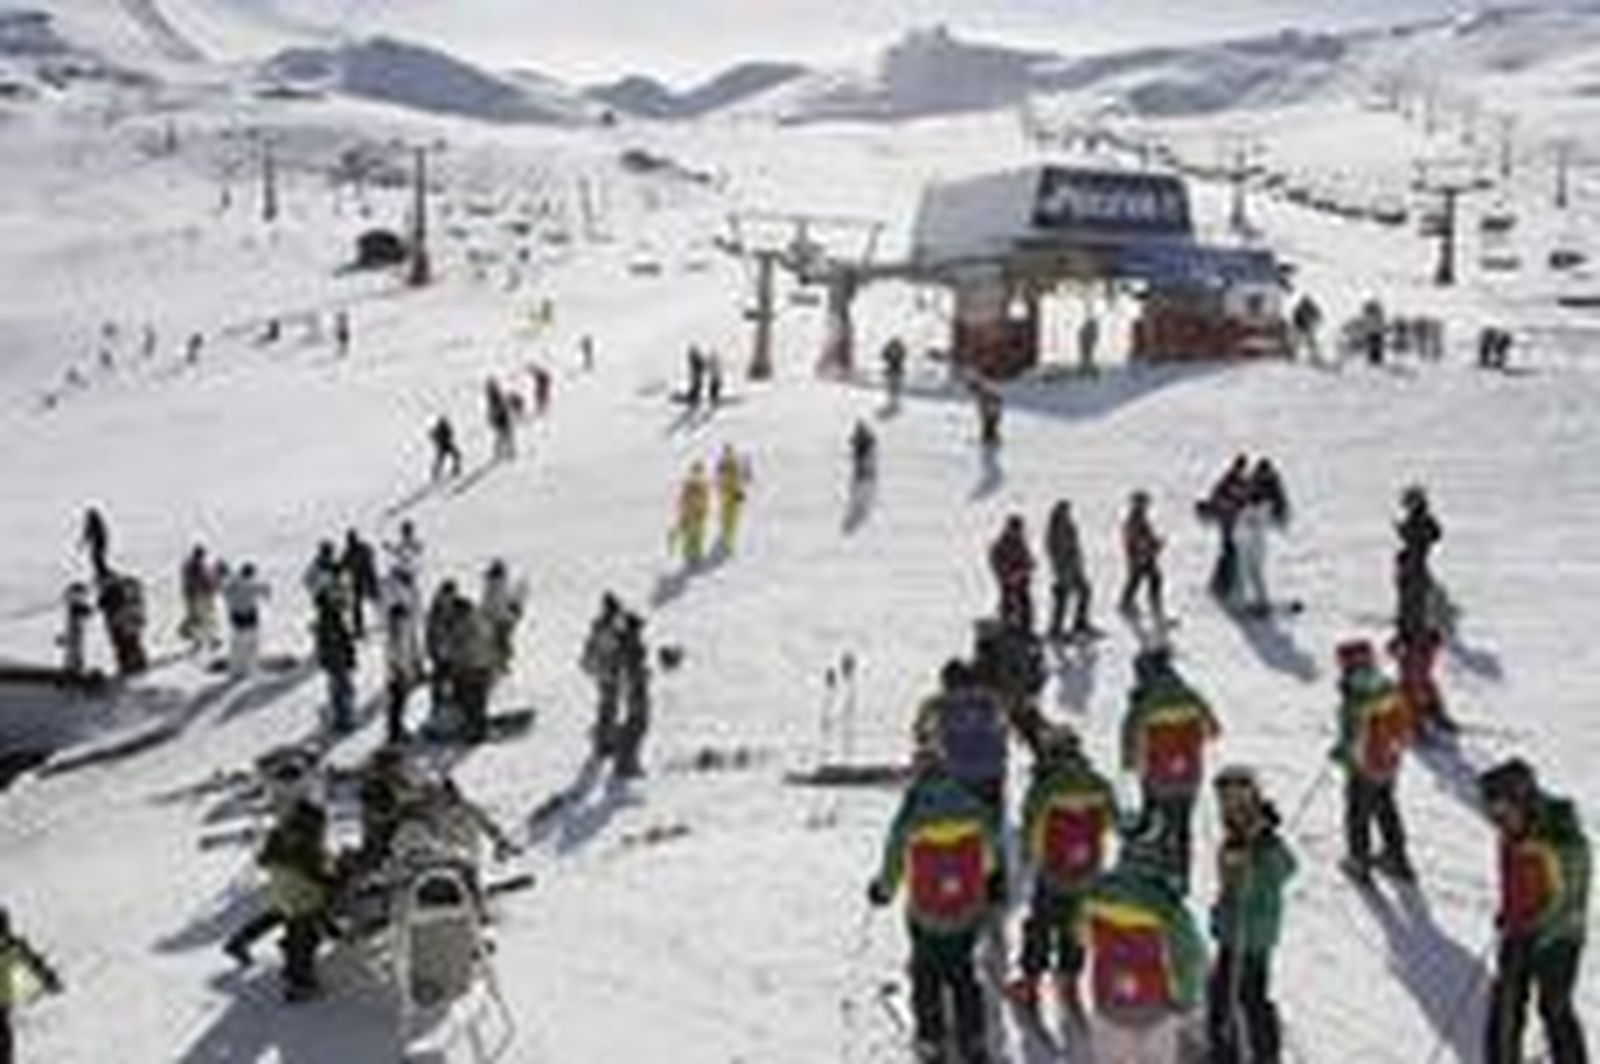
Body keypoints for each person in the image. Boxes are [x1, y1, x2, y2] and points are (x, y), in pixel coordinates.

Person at [868, 749, 1003, 1064]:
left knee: (926, 971)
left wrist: (883, 891)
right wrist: (981, 878)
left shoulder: (913, 811)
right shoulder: (972, 806)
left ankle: (931, 1037)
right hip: (966, 907)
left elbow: (895, 856)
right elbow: (991, 853)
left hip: (926, 910)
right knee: (963, 971)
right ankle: (973, 1037)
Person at [1478, 758, 1591, 1064]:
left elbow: (1571, 897)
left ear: (1523, 800)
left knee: (1554, 1007)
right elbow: (1514, 877)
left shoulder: (1563, 838)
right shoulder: (1511, 832)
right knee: (1506, 1003)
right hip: (1521, 926)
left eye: (1501, 811)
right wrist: (1509, 910)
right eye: (1490, 812)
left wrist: (1539, 923)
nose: (1496, 821)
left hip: (1559, 935)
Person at [1007, 724, 1118, 1020]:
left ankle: (1030, 982)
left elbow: (1032, 825)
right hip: (1088, 870)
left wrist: (1029, 856)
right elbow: (1111, 822)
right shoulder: (1099, 783)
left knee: (1040, 925)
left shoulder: (1046, 786)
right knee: (1075, 927)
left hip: (1053, 870)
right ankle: (1069, 980)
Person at [1079, 817, 1207, 1064]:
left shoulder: (1095, 894)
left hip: (1108, 1002)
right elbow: (1188, 958)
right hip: (1155, 1010)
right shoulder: (1168, 907)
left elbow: (1079, 934)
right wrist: (1186, 1000)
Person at [1206, 766, 1296, 1064]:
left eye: (1236, 800)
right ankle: (1225, 1048)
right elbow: (1228, 885)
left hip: (1252, 934)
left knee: (1246, 996)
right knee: (1225, 993)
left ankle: (1259, 1052)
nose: (1229, 807)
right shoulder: (1232, 835)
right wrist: (1220, 913)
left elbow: (1286, 868)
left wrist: (1261, 848)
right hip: (1235, 930)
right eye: (1224, 800)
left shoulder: (1265, 838)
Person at [1121, 648, 1220, 895]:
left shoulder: (1146, 700)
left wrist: (1131, 764)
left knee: (1160, 825)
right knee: (1183, 827)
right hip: (1189, 774)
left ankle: (1160, 875)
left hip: (1158, 775)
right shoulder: (1191, 696)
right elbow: (1213, 731)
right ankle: (1183, 877)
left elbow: (1133, 744)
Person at [1331, 640, 1416, 886]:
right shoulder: (1387, 687)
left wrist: (1344, 752)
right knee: (1385, 807)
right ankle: (1397, 856)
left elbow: (1355, 735)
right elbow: (1402, 724)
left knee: (1358, 813)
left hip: (1364, 767)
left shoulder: (1356, 696)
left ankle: (1359, 860)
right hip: (1387, 763)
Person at [260, 799, 337, 1001]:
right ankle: (301, 984)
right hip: (301, 896)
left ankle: (291, 965)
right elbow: (319, 875)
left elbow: (263, 859)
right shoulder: (303, 842)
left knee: (296, 929)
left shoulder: (280, 835)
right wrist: (336, 877)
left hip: (282, 892)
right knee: (307, 937)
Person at [1, 907, 63, 1064]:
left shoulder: (13, 946)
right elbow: (35, 963)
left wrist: (49, 979)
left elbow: (34, 962)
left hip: (4, 1005)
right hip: (3, 1005)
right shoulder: (13, 946)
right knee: (4, 1043)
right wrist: (50, 980)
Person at [580, 593, 627, 759]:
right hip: (608, 671)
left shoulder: (604, 625)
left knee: (608, 705)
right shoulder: (606, 627)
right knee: (608, 706)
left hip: (606, 671)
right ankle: (603, 742)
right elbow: (606, 648)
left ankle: (605, 739)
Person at [1044, 500, 1095, 641]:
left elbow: (1074, 544)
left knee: (1085, 591)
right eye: (1065, 511)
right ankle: (1055, 629)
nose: (1067, 513)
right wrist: (1060, 567)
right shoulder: (1054, 529)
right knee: (1063, 597)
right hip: (1063, 567)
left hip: (1074, 565)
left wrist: (1077, 560)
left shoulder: (1069, 525)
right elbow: (1053, 550)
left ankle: (1080, 622)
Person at [613, 612, 651, 778]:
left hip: (634, 686)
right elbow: (632, 667)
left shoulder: (626, 642)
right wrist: (642, 675)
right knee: (637, 724)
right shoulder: (631, 644)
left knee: (635, 723)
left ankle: (627, 761)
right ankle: (627, 762)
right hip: (636, 688)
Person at [382, 592, 423, 744]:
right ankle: (394, 732)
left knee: (400, 703)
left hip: (402, 671)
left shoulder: (401, 630)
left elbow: (408, 650)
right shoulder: (396, 632)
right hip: (398, 673)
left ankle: (397, 729)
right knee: (397, 703)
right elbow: (394, 654)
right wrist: (400, 671)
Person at [312, 598, 357, 734]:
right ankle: (342, 719)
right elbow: (342, 640)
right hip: (336, 660)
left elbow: (345, 640)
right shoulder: (329, 623)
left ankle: (341, 717)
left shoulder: (329, 622)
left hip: (336, 660)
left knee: (341, 689)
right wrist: (349, 655)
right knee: (344, 689)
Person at [1119, 491, 1166, 623]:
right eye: (1144, 503)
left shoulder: (1140, 518)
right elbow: (1136, 538)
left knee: (1144, 579)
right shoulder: (1134, 519)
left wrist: (1155, 543)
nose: (1146, 506)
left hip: (1144, 555)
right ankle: (1149, 604)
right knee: (1147, 579)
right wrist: (1148, 548)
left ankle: (1127, 603)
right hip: (1139, 556)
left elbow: (1146, 536)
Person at [989, 514, 1036, 634]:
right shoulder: (1001, 543)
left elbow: (1027, 557)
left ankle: (1026, 629)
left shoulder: (1020, 542)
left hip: (1022, 580)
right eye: (1015, 530)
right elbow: (995, 561)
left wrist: (1029, 565)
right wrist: (1006, 573)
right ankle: (1007, 630)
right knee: (1008, 605)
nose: (1018, 533)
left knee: (1025, 604)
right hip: (1008, 581)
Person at [481, 559, 527, 679]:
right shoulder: (496, 586)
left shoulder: (494, 586)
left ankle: (498, 664)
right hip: (498, 621)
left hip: (496, 620)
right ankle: (498, 665)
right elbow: (495, 605)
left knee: (497, 644)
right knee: (499, 644)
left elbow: (491, 605)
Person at [96, 570, 147, 677]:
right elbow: (103, 605)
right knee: (124, 644)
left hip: (121, 622)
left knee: (128, 643)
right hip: (118, 622)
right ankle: (130, 664)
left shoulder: (117, 592)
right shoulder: (112, 592)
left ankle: (134, 664)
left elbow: (120, 607)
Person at [223, 563, 270, 677]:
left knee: (236, 645)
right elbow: (266, 589)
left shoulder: (230, 586)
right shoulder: (251, 586)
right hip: (249, 619)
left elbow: (224, 590)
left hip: (235, 619)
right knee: (251, 645)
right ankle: (250, 669)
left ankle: (235, 669)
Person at [178, 546, 223, 654]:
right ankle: (211, 640)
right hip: (202, 595)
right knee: (207, 618)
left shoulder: (187, 565)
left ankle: (198, 641)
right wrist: (215, 586)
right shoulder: (199, 566)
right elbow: (207, 581)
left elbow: (187, 582)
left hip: (192, 595)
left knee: (197, 619)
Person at [341, 530, 379, 641]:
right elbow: (343, 565)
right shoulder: (350, 552)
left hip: (366, 578)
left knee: (372, 601)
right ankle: (359, 628)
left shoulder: (358, 550)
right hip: (358, 580)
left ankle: (379, 622)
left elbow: (371, 555)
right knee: (356, 606)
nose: (350, 542)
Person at [673, 461, 712, 567]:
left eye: (699, 471)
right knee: (690, 535)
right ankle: (690, 555)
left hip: (698, 513)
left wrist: (705, 510)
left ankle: (695, 554)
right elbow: (683, 498)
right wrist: (683, 511)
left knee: (697, 535)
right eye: (696, 471)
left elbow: (706, 499)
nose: (697, 474)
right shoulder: (690, 484)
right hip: (691, 513)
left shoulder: (703, 484)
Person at [715, 445, 750, 555]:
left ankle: (727, 539)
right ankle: (727, 538)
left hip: (729, 494)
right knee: (729, 517)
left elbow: (743, 477)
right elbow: (744, 477)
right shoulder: (726, 464)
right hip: (728, 493)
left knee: (729, 518)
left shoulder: (729, 464)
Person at [58, 581, 92, 675]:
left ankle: (73, 666)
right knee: (74, 649)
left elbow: (87, 612)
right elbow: (87, 612)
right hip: (74, 636)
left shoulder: (75, 609)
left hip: (75, 636)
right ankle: (73, 666)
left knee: (75, 648)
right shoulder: (75, 609)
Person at [486, 378, 516, 461]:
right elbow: (496, 408)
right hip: (501, 419)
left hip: (502, 419)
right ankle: (504, 452)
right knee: (505, 436)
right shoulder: (494, 397)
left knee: (505, 436)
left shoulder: (494, 396)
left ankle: (507, 451)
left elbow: (500, 406)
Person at [80, 507, 110, 581]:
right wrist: (83, 542)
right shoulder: (95, 523)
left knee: (96, 557)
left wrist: (83, 542)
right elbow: (87, 533)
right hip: (99, 543)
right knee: (95, 558)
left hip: (99, 543)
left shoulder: (96, 523)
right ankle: (102, 572)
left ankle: (103, 573)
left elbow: (88, 534)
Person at [430, 416, 463, 480]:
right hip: (444, 445)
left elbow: (449, 433)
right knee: (452, 456)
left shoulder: (439, 429)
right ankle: (435, 472)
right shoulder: (438, 429)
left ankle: (455, 469)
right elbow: (449, 433)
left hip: (445, 444)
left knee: (453, 456)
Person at [974, 380, 1002, 449]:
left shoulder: (995, 397)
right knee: (988, 423)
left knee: (991, 423)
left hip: (990, 414)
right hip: (988, 414)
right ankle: (988, 438)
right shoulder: (985, 396)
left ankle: (990, 437)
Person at [850, 420, 878, 489]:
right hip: (861, 454)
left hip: (863, 454)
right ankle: (863, 476)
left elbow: (872, 441)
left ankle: (865, 476)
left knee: (864, 466)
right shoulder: (861, 435)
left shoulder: (863, 435)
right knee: (861, 467)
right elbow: (852, 441)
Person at [882, 337, 908, 404]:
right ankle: (892, 400)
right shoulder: (892, 352)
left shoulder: (900, 351)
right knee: (892, 386)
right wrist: (889, 350)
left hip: (896, 371)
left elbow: (902, 355)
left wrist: (891, 352)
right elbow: (884, 356)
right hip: (893, 371)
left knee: (895, 386)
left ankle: (894, 400)